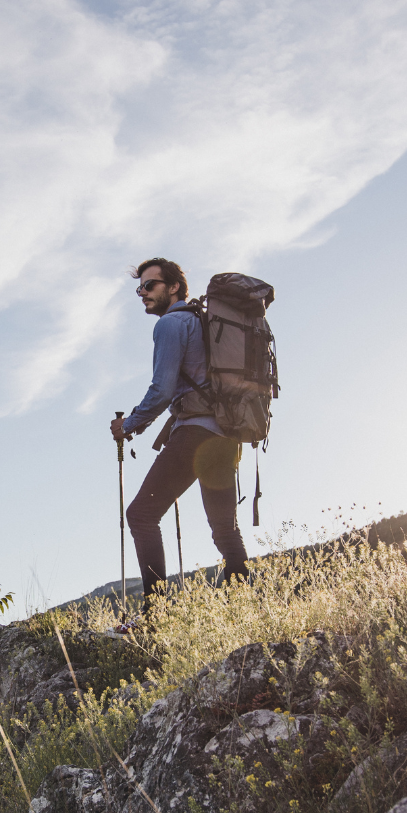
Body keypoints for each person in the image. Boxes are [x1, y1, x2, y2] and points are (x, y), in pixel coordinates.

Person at [110, 257, 249, 602]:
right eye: (139, 287)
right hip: (226, 435)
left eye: (150, 285)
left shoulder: (171, 325)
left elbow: (162, 390)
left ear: (173, 287)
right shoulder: (204, 323)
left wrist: (128, 425)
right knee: (224, 527)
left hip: (195, 435)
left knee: (141, 515)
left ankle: (157, 612)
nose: (142, 292)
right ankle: (245, 603)